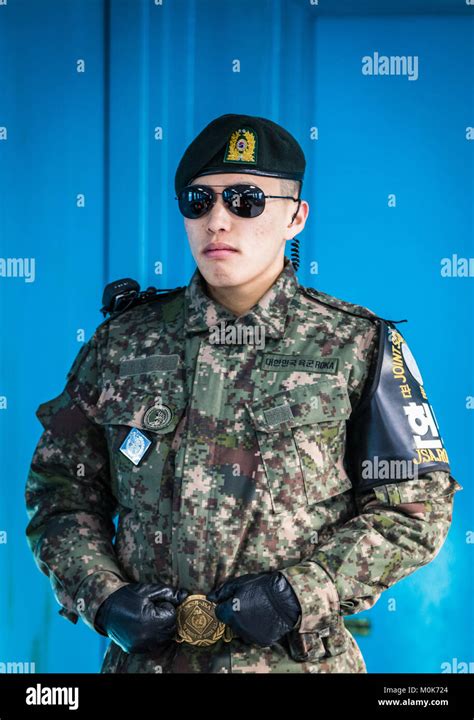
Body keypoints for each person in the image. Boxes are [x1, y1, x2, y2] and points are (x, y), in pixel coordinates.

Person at [25, 113, 462, 673]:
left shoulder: (358, 345)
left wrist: (301, 592)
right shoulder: (121, 344)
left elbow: (416, 509)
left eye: (246, 200)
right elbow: (61, 493)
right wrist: (103, 596)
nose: (217, 220)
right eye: (198, 201)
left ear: (295, 217)